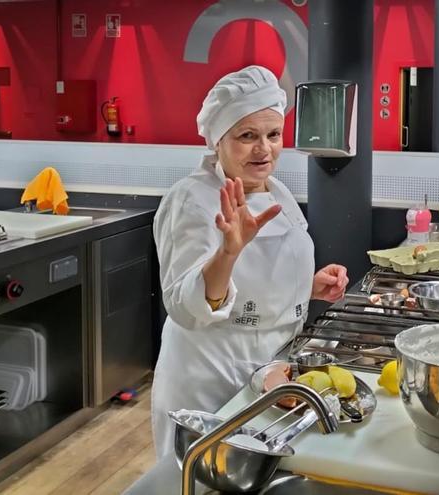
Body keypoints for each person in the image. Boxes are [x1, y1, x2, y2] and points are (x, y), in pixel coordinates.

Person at [151, 66, 349, 458]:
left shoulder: (277, 192)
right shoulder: (192, 200)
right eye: (247, 137)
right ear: (218, 141)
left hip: (272, 375)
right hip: (210, 382)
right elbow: (186, 307)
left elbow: (260, 280)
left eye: (273, 135)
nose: (264, 149)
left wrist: (306, 286)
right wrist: (228, 252)